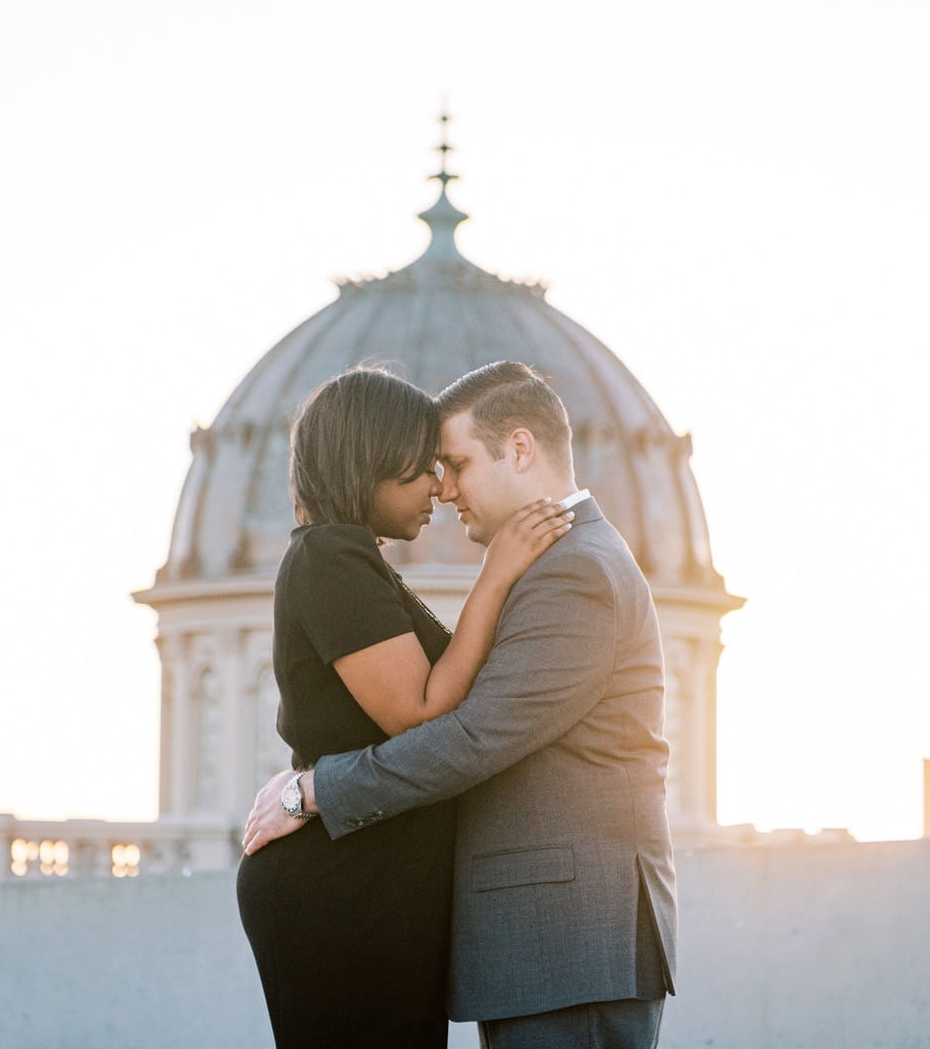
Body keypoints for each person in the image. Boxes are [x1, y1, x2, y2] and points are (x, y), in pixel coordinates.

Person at [244, 360, 677, 1049]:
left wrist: (315, 788)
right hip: (532, 950)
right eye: (429, 468)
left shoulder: (577, 573)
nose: (443, 490)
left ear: (521, 449)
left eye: (454, 463)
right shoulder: (544, 566)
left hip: (567, 947)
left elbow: (473, 736)